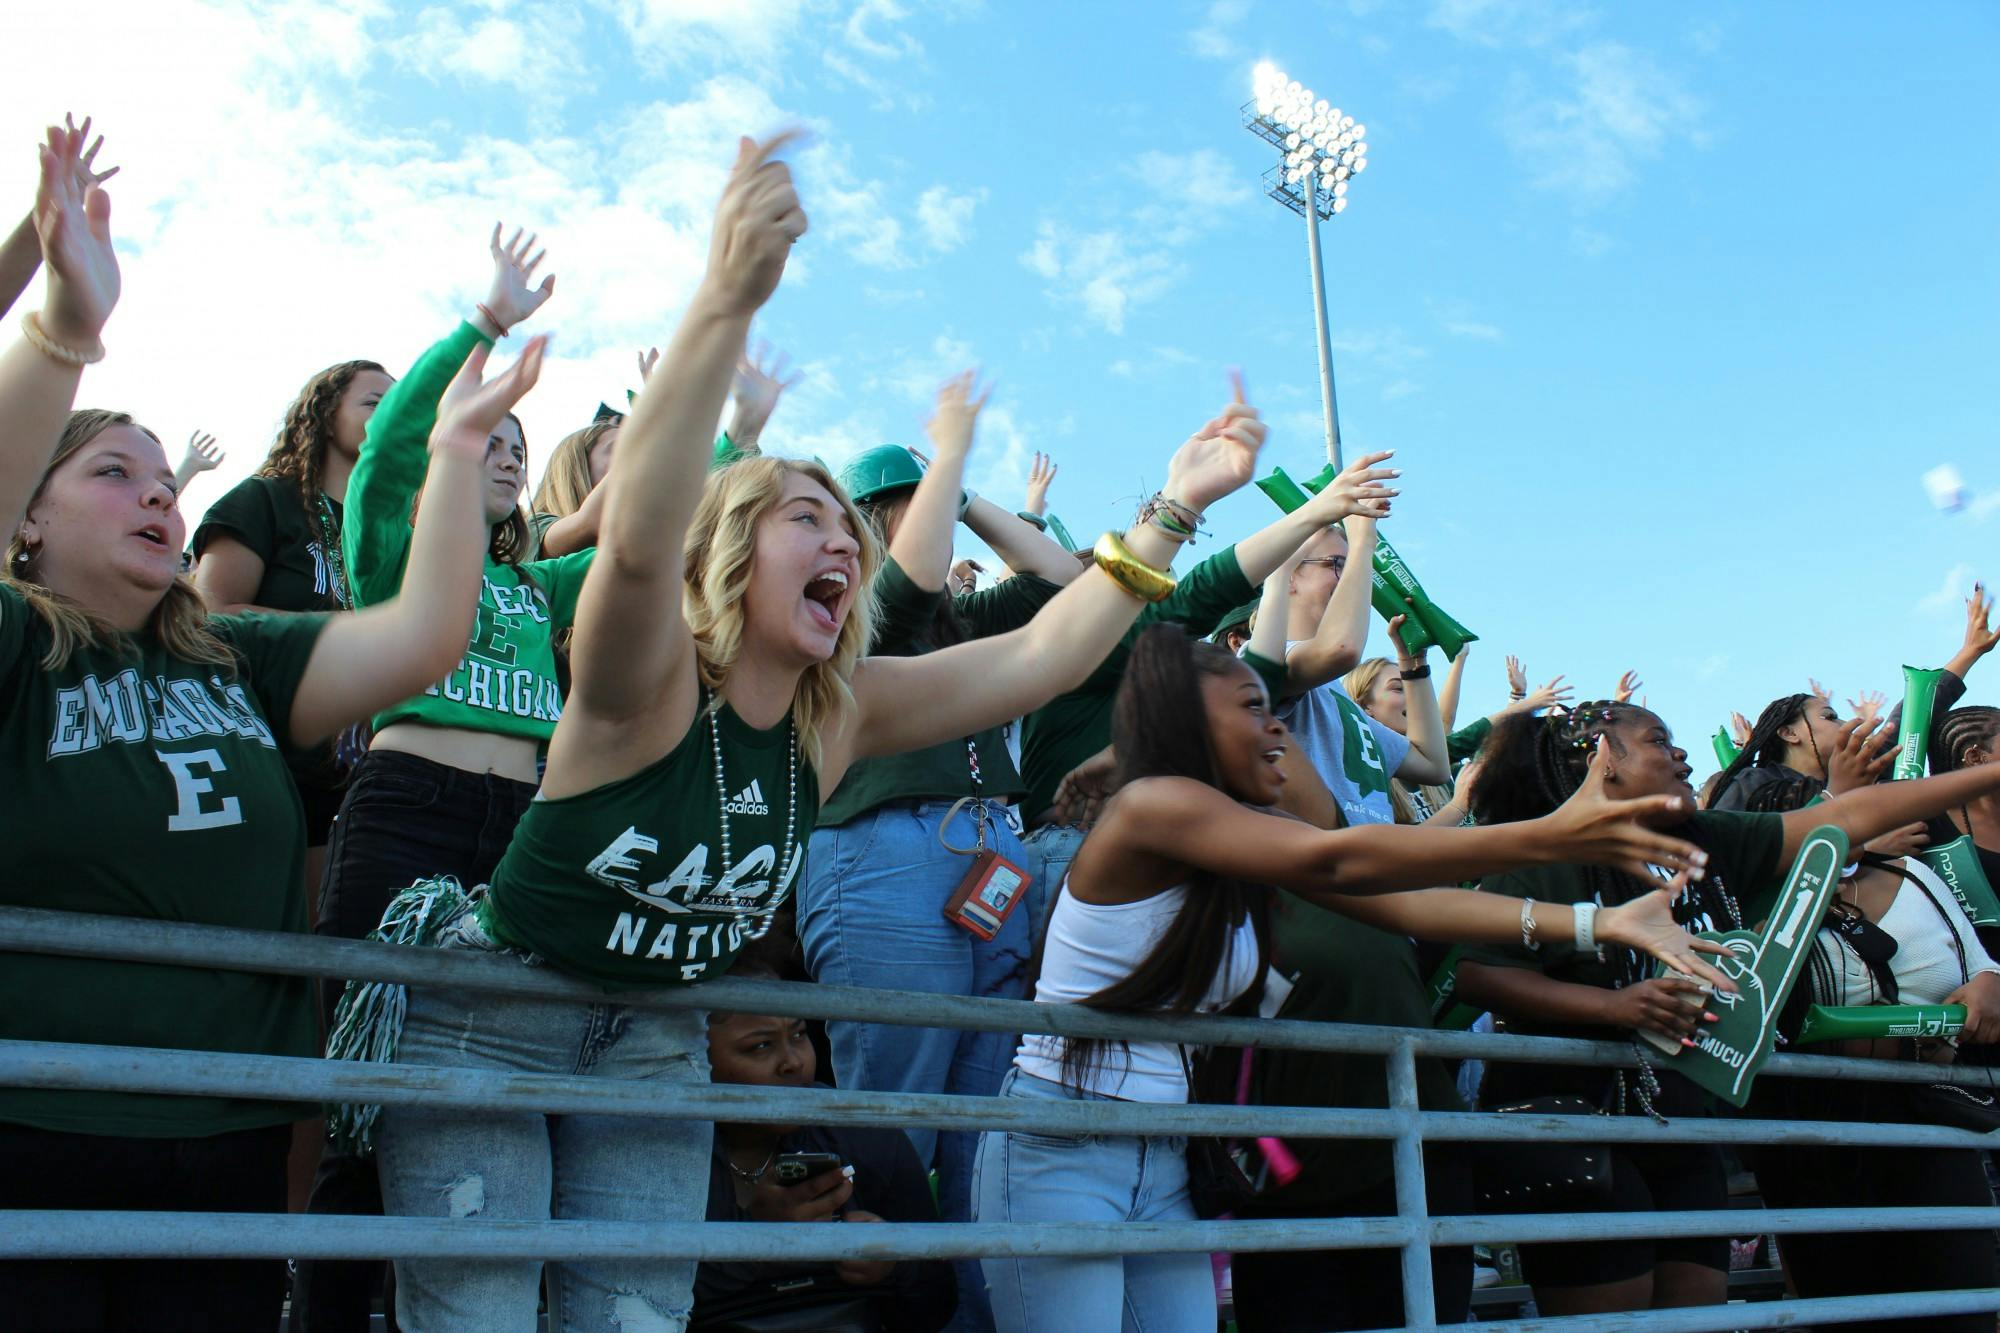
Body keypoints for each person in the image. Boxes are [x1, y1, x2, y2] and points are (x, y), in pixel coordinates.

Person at [350, 129, 1271, 1332]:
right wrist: (728, 291)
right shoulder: (644, 674)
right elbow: (637, 536)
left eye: (850, 526)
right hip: (494, 1023)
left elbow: (1045, 651)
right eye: (806, 517)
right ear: (731, 557)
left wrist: (1172, 507)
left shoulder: (841, 717)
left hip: (652, 1041)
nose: (843, 542)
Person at [0, 118, 544, 1332]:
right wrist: (65, 334)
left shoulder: (234, 652)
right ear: (24, 520)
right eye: (108, 472)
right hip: (28, 1123)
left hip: (224, 1135)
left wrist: (453, 450)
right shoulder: (13, 649)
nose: (153, 491)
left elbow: (422, 641)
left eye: (160, 478)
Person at [974, 625, 1733, 1333]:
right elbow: (1337, 858)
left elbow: (1399, 900)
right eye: (1252, 707)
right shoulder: (1149, 807)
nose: (1279, 729)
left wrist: (1596, 924)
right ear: (1184, 717)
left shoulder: (1241, 846)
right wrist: (1547, 833)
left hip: (1167, 1158)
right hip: (1065, 1145)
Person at [1455, 702, 2000, 1320]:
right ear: (1601, 759)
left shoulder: (1702, 840)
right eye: (1660, 740)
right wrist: (1614, 1006)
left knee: (1698, 1315)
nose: (1681, 754)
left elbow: (1843, 819)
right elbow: (1479, 973)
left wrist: (1987, 776)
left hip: (1683, 1125)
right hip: (1578, 1123)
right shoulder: (1550, 849)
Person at [295, 223, 577, 1333]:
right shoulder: (389, 553)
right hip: (407, 815)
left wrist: (719, 423)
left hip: (523, 835)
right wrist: (482, 327)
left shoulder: (547, 586)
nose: (505, 453)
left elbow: (658, 536)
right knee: (367, 1100)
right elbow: (392, 449)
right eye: (488, 435)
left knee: (499, 1098)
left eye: (521, 443)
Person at [796, 374, 1081, 1329]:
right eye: (902, 509)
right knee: (896, 1119)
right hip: (885, 852)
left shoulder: (975, 611)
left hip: (989, 853)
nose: (930, 526)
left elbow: (1065, 585)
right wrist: (944, 463)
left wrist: (965, 493)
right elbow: (908, 589)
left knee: (989, 1140)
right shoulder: (842, 607)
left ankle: (968, 1317)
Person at [1014, 447, 1404, 930]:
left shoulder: (1155, 679)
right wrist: (1316, 513)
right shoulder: (1077, 660)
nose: (1153, 596)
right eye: (1133, 587)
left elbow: (1259, 677)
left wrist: (1281, 572)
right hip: (1073, 847)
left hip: (1155, 847)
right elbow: (1201, 596)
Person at [1735, 773, 2000, 1333]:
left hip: (1929, 1110)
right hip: (1814, 1123)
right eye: (1828, 810)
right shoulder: (1754, 902)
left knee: (1963, 1296)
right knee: (1846, 1300)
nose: (1854, 819)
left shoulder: (1916, 873)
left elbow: (1982, 963)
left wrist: (1984, 986)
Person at [192, 358, 393, 871]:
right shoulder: (264, 500)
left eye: (401, 403)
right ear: (324, 414)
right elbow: (210, 612)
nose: (392, 412)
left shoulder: (399, 530)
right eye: (374, 401)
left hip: (362, 763)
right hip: (264, 746)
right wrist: (346, 633)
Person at [695, 965, 957, 1333]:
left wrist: (893, 1266)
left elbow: (938, 1302)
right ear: (695, 1060)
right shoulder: (656, 1152)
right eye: (760, 1046)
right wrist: (758, 1241)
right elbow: (621, 1301)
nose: (794, 1062)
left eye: (799, 1034)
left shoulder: (861, 1132)